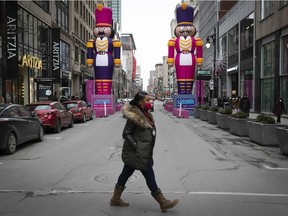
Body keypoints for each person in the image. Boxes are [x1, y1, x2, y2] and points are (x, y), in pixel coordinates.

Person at [110, 91, 179, 213]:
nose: (150, 102)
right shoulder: (135, 116)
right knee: (149, 175)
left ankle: (115, 198)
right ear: (140, 102)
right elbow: (126, 133)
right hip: (139, 153)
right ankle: (163, 202)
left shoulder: (145, 114)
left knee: (126, 173)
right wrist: (136, 146)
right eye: (148, 100)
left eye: (150, 99)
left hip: (142, 152)